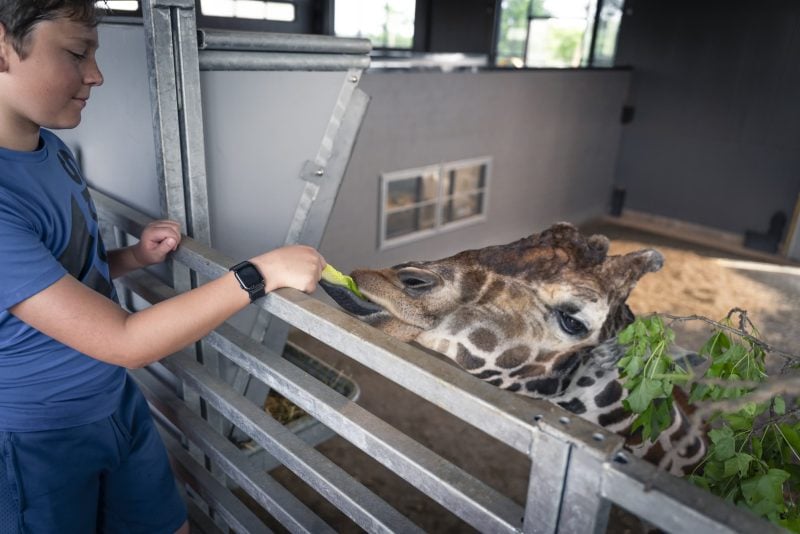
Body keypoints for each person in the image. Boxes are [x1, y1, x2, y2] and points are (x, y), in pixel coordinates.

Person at [0, 1, 326, 532]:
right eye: (78, 53)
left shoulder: (52, 151)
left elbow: (60, 283)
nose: (96, 75)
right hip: (38, 438)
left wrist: (133, 258)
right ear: (2, 47)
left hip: (115, 402)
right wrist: (259, 275)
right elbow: (123, 340)